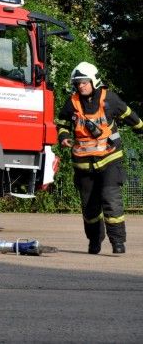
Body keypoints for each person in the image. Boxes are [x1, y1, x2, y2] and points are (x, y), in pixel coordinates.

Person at [56, 62, 143, 255]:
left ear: (94, 81)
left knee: (111, 201)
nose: (81, 86)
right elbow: (61, 123)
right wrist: (63, 136)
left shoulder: (109, 99)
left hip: (110, 160)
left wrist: (141, 129)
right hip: (83, 164)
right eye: (77, 83)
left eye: (84, 82)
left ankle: (118, 243)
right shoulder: (71, 103)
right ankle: (94, 242)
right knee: (90, 208)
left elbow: (130, 115)